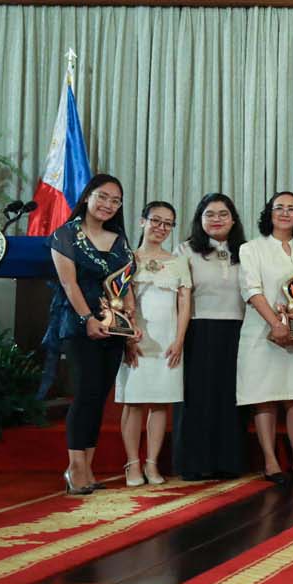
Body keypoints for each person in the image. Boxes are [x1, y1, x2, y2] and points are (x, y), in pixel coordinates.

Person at [50, 175, 137, 494]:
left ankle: (87, 465)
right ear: (87, 197)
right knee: (85, 393)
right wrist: (87, 318)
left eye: (115, 201)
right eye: (103, 197)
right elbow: (69, 284)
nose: (108, 205)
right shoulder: (66, 234)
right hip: (79, 324)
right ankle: (75, 468)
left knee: (99, 398)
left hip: (114, 328)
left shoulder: (119, 240)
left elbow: (126, 287)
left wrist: (131, 324)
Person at [238, 192, 293, 485]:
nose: (285, 213)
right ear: (268, 213)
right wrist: (276, 324)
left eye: (292, 209)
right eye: (279, 208)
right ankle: (272, 463)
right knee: (266, 397)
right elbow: (252, 290)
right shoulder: (252, 249)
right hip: (264, 333)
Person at [174, 193, 248, 481]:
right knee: (197, 398)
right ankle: (193, 462)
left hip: (238, 330)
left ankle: (228, 461)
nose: (216, 219)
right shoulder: (186, 251)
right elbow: (181, 296)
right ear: (199, 219)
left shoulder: (246, 251)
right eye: (210, 214)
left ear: (233, 219)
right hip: (198, 329)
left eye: (223, 214)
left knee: (230, 398)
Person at [117, 201, 190, 487]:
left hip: (168, 342)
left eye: (168, 223)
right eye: (156, 221)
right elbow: (120, 300)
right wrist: (127, 338)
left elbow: (184, 303)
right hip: (137, 339)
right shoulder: (127, 258)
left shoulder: (178, 261)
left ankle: (152, 463)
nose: (161, 228)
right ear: (142, 221)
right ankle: (132, 464)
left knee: (161, 404)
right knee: (133, 402)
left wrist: (180, 340)